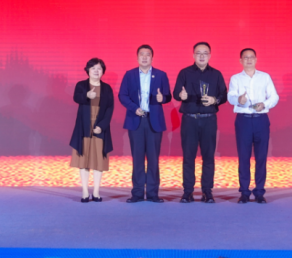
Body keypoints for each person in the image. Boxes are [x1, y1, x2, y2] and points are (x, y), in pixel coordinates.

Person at [173, 42, 227, 203]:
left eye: (205, 53)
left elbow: (224, 95)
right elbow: (175, 93)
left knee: (208, 157)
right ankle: (187, 192)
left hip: (209, 119)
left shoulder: (216, 74)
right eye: (198, 53)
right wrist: (181, 96)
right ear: (193, 55)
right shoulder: (184, 73)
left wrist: (214, 100)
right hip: (189, 119)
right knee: (188, 157)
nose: (202, 56)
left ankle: (207, 192)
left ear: (210, 55)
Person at [118, 44, 172, 203]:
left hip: (154, 121)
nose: (144, 57)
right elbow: (122, 95)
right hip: (136, 120)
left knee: (153, 159)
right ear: (137, 57)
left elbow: (168, 96)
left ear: (152, 58)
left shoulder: (161, 75)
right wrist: (134, 108)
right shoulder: (130, 75)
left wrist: (163, 98)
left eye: (147, 54)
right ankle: (137, 193)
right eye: (141, 54)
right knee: (138, 158)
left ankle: (153, 193)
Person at [228, 48, 279, 204]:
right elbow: (230, 96)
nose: (249, 60)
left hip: (261, 119)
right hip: (243, 120)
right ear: (240, 61)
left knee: (261, 157)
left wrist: (264, 104)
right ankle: (244, 192)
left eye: (251, 57)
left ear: (256, 60)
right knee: (243, 157)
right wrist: (239, 100)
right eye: (245, 57)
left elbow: (274, 96)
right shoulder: (235, 78)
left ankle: (259, 192)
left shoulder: (265, 77)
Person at [69, 58, 114, 202]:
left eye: (99, 68)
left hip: (100, 127)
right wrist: (87, 96)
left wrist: (102, 126)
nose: (96, 71)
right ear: (88, 70)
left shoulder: (107, 88)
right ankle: (84, 191)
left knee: (98, 160)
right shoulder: (81, 85)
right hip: (84, 126)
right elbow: (76, 97)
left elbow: (110, 109)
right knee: (84, 160)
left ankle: (96, 192)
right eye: (93, 68)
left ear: (103, 71)